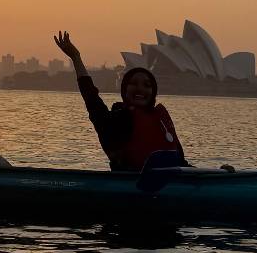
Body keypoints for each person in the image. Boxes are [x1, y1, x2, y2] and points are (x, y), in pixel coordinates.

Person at [53, 31, 189, 172]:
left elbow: (181, 162)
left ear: (153, 92)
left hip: (174, 184)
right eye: (134, 83)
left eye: (147, 85)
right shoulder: (115, 122)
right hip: (131, 183)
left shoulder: (161, 120)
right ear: (124, 89)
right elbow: (91, 97)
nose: (140, 89)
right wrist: (76, 58)